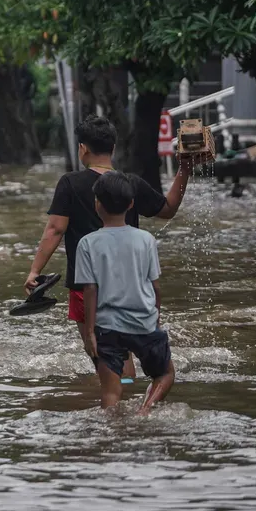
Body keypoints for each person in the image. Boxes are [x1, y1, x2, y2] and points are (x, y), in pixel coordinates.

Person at [25, 116, 204, 379]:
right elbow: (167, 209)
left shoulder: (70, 183)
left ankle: (120, 397)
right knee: (122, 348)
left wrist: (34, 271)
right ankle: (126, 390)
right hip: (127, 283)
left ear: (83, 148)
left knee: (99, 348)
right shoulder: (128, 183)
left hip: (85, 285)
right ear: (113, 147)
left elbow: (55, 229)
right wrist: (184, 170)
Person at [75, 172, 174, 414]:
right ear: (131, 205)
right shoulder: (146, 240)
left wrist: (89, 332)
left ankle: (112, 435)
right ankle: (145, 410)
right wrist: (155, 321)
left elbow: (89, 290)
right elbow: (155, 287)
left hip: (107, 328)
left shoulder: (87, 243)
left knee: (111, 391)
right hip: (144, 323)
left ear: (97, 203)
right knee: (165, 374)